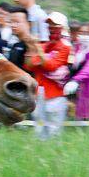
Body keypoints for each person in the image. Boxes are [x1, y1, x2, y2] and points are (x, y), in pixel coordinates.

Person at [20, 11, 71, 139]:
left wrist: (37, 47)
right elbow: (29, 65)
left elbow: (51, 65)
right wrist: (30, 47)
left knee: (54, 129)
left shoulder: (66, 47)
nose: (51, 28)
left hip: (56, 94)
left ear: (63, 27)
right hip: (40, 91)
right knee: (39, 126)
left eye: (55, 25)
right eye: (49, 25)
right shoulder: (44, 45)